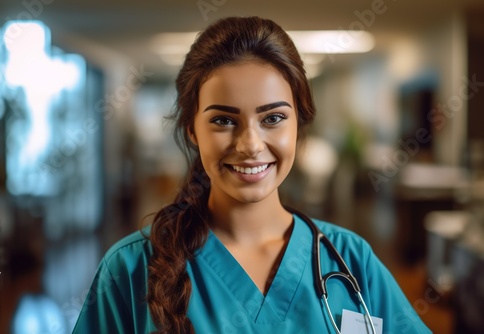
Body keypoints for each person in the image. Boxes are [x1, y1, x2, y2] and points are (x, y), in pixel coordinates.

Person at [73, 16, 431, 334]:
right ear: (193, 130)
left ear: (298, 125)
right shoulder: (130, 268)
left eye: (272, 118)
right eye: (224, 120)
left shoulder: (352, 261)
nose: (249, 144)